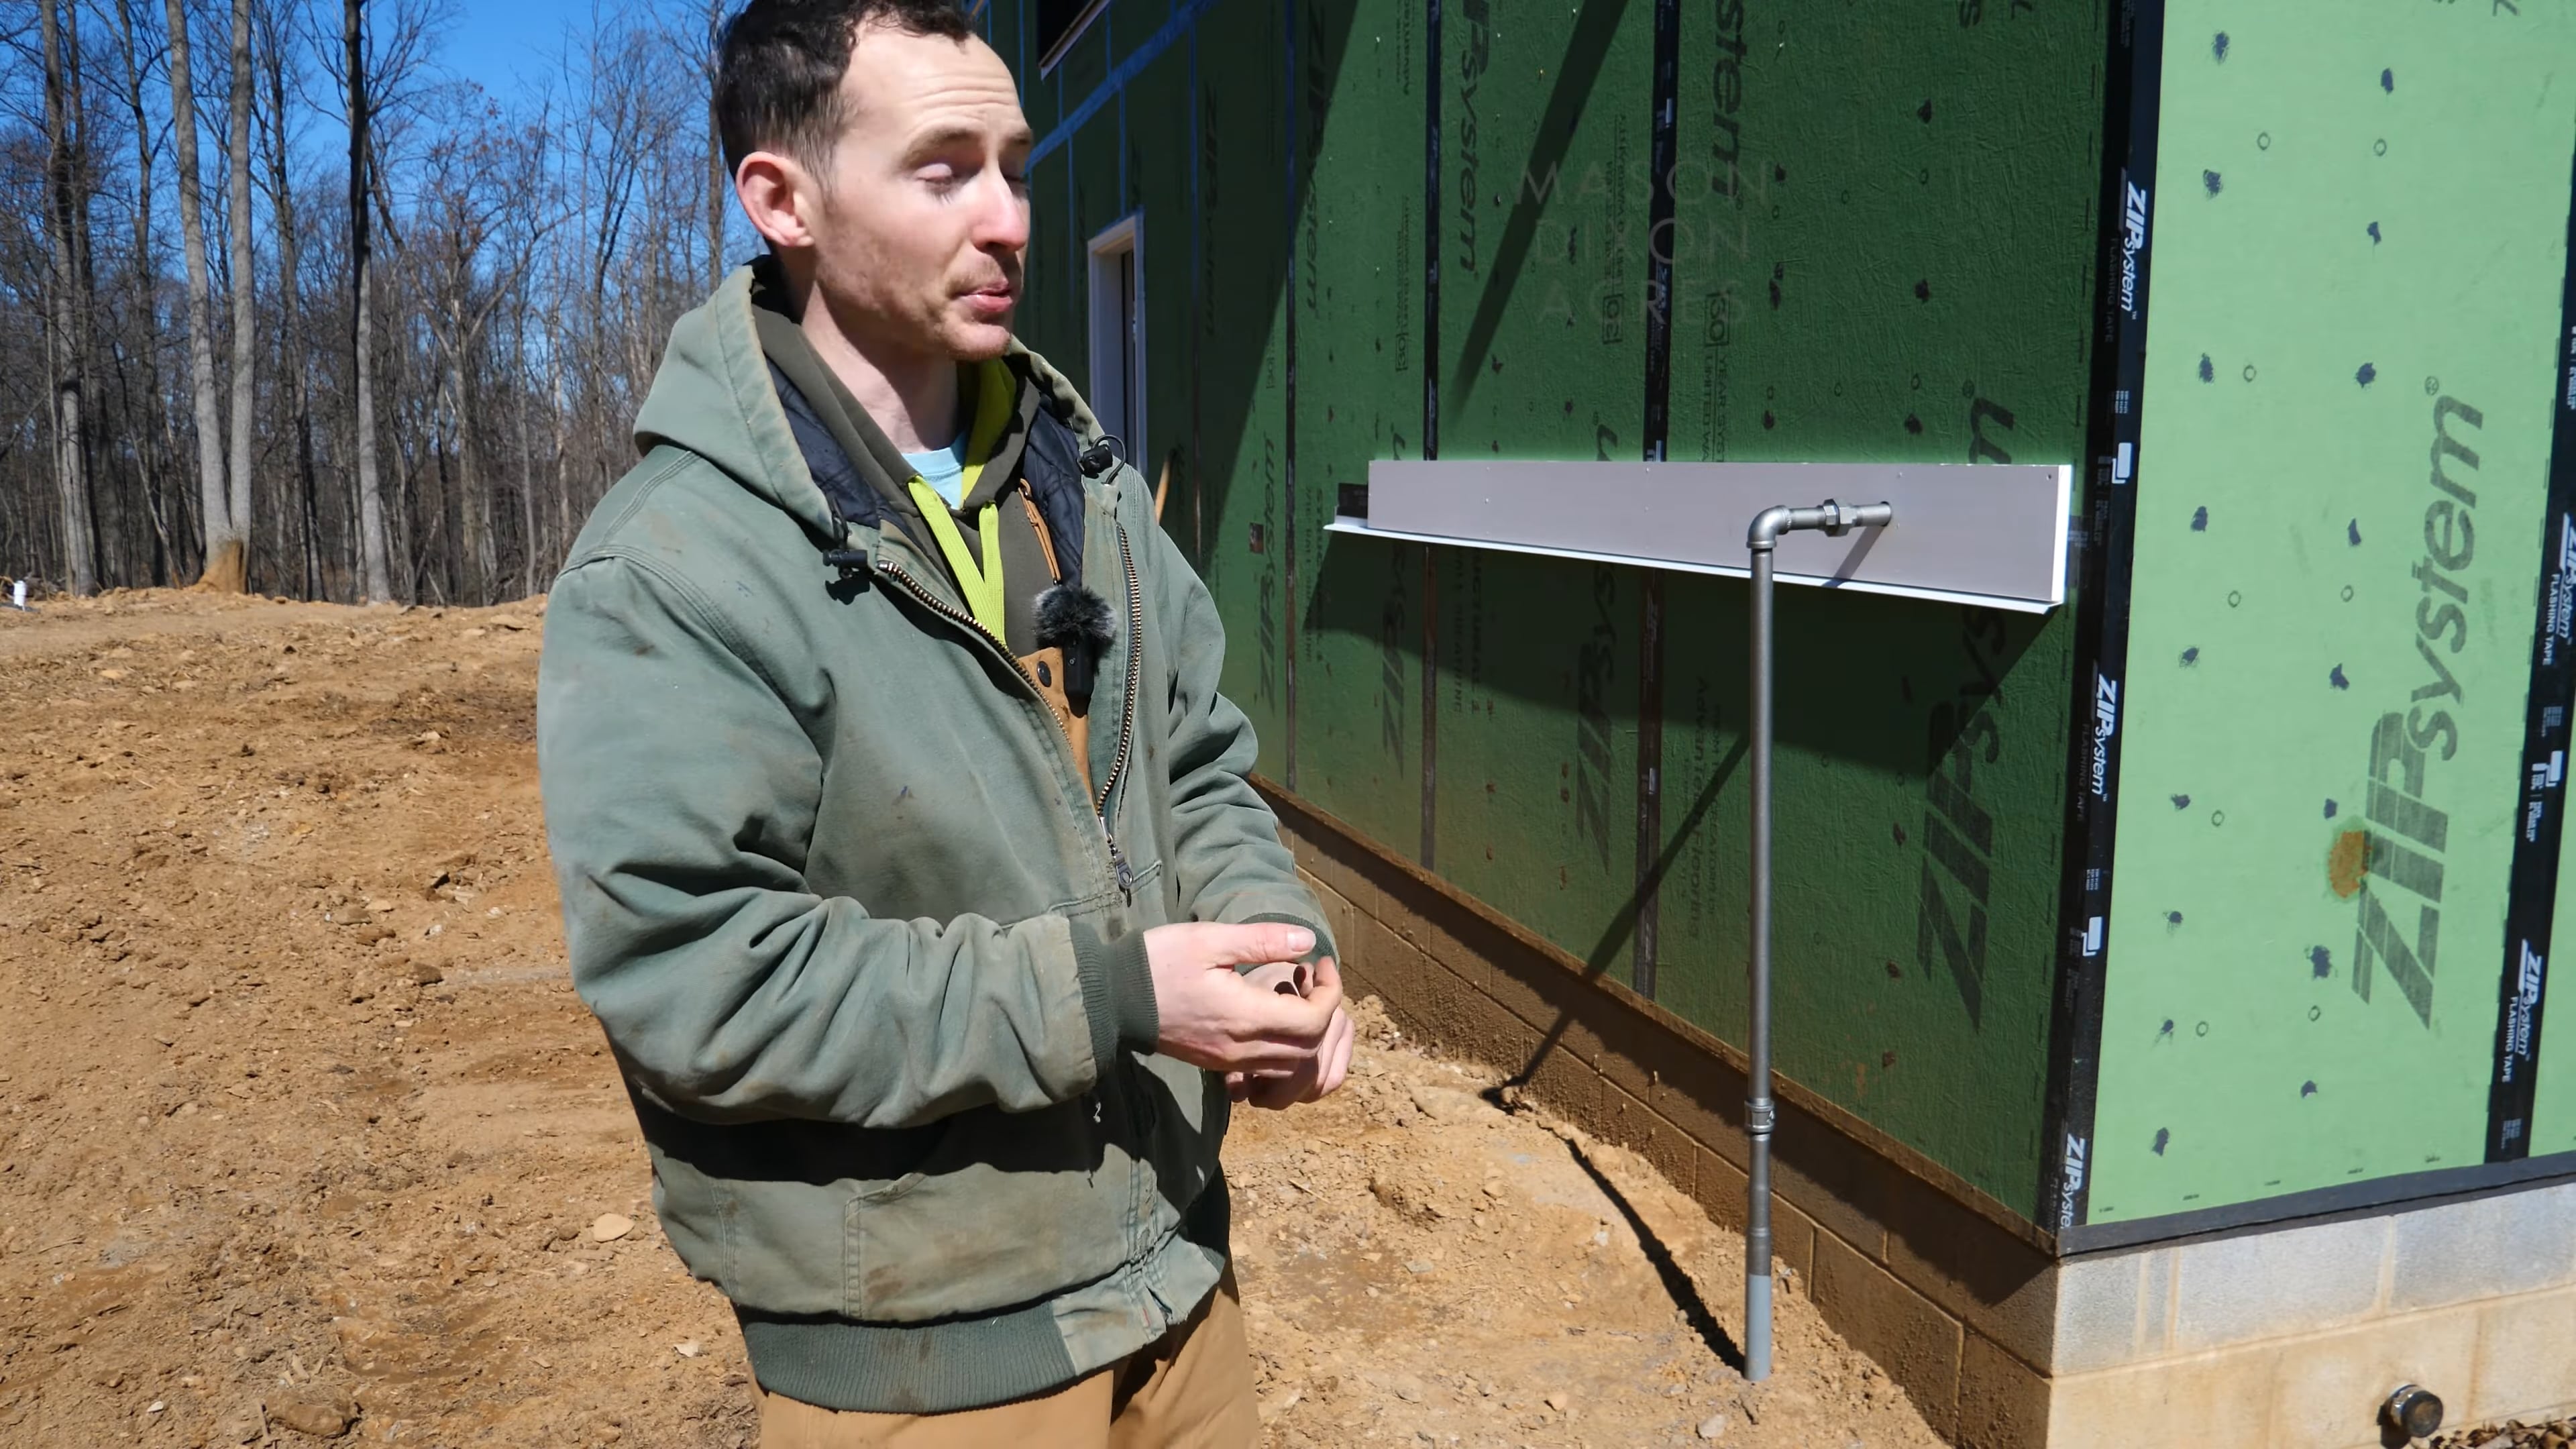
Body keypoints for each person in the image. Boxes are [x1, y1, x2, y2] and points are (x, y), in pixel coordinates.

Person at [533, 1, 1354, 1443]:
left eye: (1016, 166)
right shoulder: (672, 565)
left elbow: (1197, 757)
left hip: (1174, 1279)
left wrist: (1279, 945)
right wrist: (1116, 995)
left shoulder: (1077, 482)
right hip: (925, 1356)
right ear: (779, 199)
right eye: (942, 169)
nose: (1009, 220)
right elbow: (701, 980)